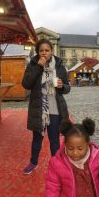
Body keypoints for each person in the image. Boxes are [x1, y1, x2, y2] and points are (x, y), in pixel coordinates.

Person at [22, 38, 70, 174]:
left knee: (54, 140)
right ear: (38, 52)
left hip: (55, 109)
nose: (44, 53)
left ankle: (57, 165)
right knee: (37, 139)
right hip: (39, 109)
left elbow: (67, 88)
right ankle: (33, 162)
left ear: (51, 51)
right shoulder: (33, 64)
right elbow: (26, 84)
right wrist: (38, 67)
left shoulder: (59, 65)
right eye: (41, 50)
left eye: (47, 50)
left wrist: (62, 86)